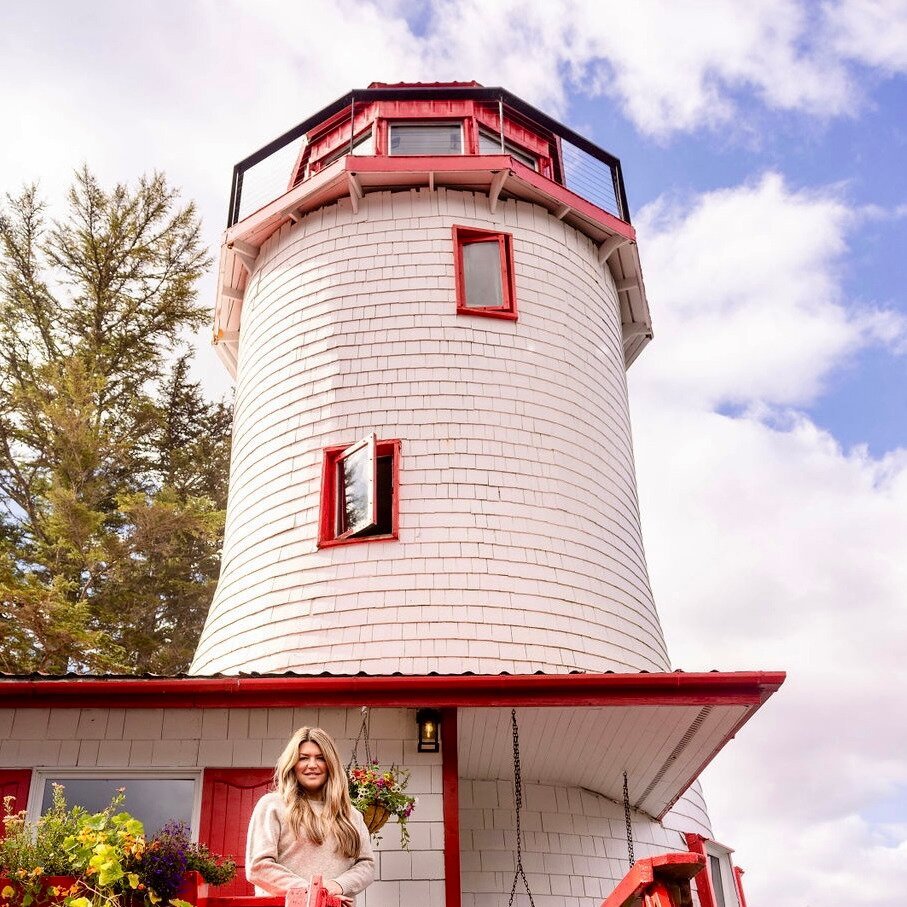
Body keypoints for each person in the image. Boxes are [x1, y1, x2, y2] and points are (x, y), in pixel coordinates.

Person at [246, 727, 376, 905]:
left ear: (330, 764)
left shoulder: (351, 815)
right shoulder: (272, 806)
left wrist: (337, 885)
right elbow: (258, 867)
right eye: (303, 758)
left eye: (320, 758)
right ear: (293, 764)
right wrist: (315, 893)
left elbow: (366, 865)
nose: (312, 765)